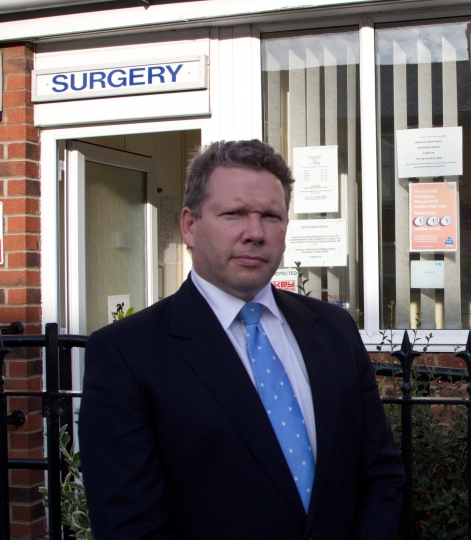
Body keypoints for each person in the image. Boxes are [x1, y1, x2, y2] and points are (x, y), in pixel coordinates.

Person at [79, 140, 405, 540]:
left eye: (271, 216)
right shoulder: (127, 354)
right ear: (190, 225)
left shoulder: (333, 329)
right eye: (234, 214)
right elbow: (131, 525)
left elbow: (381, 475)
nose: (255, 232)